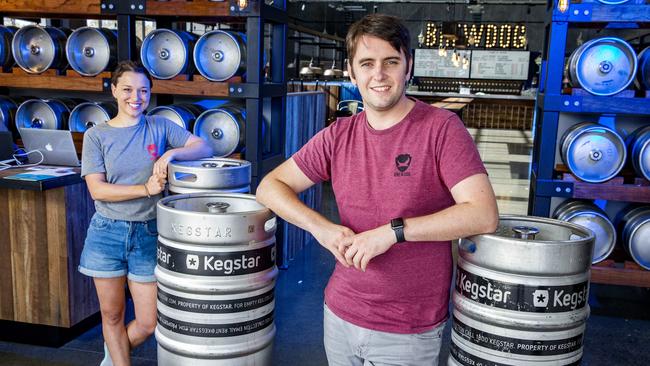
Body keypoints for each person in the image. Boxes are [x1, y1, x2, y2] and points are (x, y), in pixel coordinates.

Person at [256, 14, 498, 366]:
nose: (379, 75)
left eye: (391, 62)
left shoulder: (441, 129)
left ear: (408, 66)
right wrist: (321, 228)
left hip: (408, 327)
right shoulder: (339, 135)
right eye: (367, 64)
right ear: (352, 73)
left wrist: (393, 232)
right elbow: (270, 187)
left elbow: (483, 213)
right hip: (340, 312)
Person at [79, 60, 212, 366]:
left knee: (149, 322)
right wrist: (146, 189)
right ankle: (119, 358)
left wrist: (171, 152)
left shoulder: (159, 126)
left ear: (150, 93)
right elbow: (97, 190)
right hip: (106, 232)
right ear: (113, 91)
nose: (135, 97)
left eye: (142, 90)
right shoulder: (96, 135)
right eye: (127, 89)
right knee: (112, 315)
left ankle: (113, 355)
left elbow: (204, 146)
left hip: (149, 232)